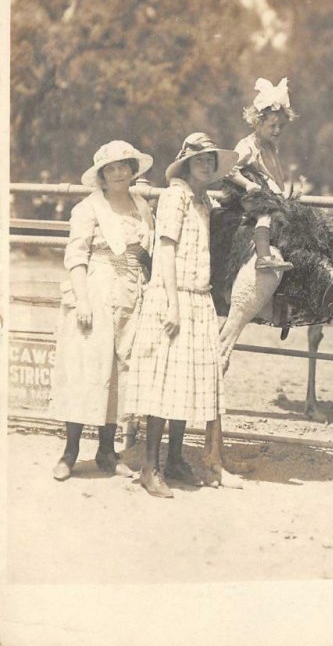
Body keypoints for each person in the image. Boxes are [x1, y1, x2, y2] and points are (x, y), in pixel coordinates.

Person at [125, 133, 239, 498]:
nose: (206, 164)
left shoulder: (203, 200)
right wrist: (172, 303)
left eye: (210, 160)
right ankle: (150, 466)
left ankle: (175, 459)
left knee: (186, 382)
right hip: (173, 297)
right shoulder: (175, 196)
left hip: (198, 298)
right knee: (164, 381)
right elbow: (166, 250)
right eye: (199, 159)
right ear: (186, 163)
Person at [50, 141, 154, 481]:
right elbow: (76, 256)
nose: (120, 172)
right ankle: (70, 452)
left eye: (125, 165)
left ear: (133, 169)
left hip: (131, 293)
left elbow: (147, 254)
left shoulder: (141, 206)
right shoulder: (89, 208)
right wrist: (82, 300)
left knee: (121, 371)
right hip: (95, 289)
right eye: (112, 168)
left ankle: (107, 452)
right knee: (86, 367)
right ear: (102, 176)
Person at [226, 77, 298, 271]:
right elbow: (229, 169)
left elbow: (275, 174)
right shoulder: (248, 146)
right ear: (258, 123)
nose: (277, 131)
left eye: (281, 127)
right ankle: (263, 257)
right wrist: (247, 184)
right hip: (250, 194)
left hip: (268, 193)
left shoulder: (270, 147)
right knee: (265, 215)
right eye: (272, 126)